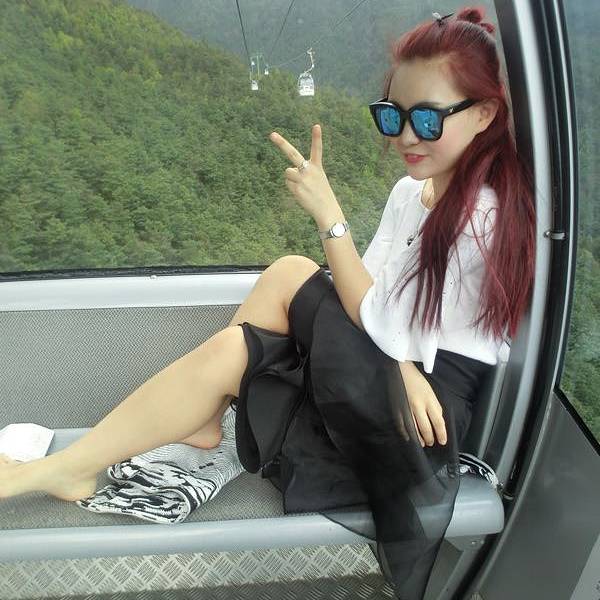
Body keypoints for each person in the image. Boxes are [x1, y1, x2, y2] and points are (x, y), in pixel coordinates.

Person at [0, 6, 535, 600]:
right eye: (393, 115)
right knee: (274, 293)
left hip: (421, 420)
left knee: (289, 277)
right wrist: (396, 360)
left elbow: (379, 317)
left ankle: (74, 465)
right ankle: (160, 435)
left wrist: (331, 217)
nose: (406, 136)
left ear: (483, 113)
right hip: (393, 368)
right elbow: (370, 297)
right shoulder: (413, 193)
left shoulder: (482, 218)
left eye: (428, 119)